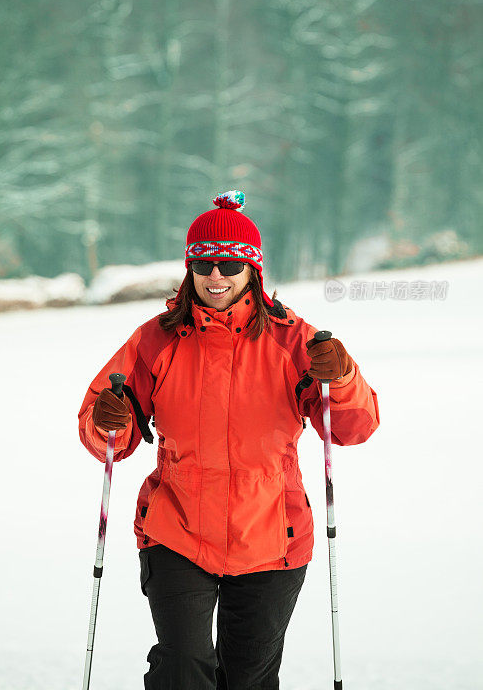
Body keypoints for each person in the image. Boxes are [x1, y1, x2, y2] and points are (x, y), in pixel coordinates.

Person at [78, 190, 380, 690]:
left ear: (252, 271)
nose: (215, 276)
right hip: (177, 529)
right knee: (183, 667)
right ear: (189, 269)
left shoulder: (292, 340)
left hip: (272, 536)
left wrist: (342, 380)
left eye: (227, 265)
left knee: (247, 678)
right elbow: (106, 429)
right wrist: (109, 421)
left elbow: (353, 427)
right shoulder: (157, 339)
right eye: (203, 264)